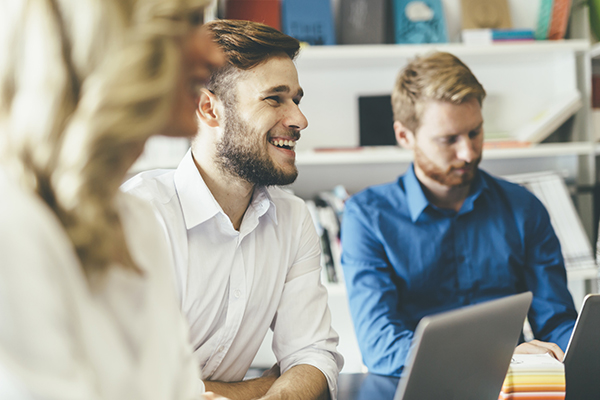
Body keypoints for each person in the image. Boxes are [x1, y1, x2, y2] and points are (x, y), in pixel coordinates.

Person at [0, 0, 228, 399]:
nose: (214, 54)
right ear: (113, 38)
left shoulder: (136, 223)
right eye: (190, 22)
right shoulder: (13, 228)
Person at [122, 19, 343, 400]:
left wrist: (279, 393)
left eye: (296, 99)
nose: (299, 120)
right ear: (209, 108)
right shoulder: (142, 216)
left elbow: (313, 353)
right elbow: (137, 386)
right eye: (275, 98)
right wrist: (261, 385)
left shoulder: (292, 220)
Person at [340, 51, 578, 377]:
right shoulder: (367, 217)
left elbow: (555, 321)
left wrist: (578, 345)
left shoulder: (524, 208)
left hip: (512, 385)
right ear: (404, 136)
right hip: (418, 386)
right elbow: (381, 345)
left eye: (475, 132)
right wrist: (499, 357)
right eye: (448, 139)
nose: (468, 152)